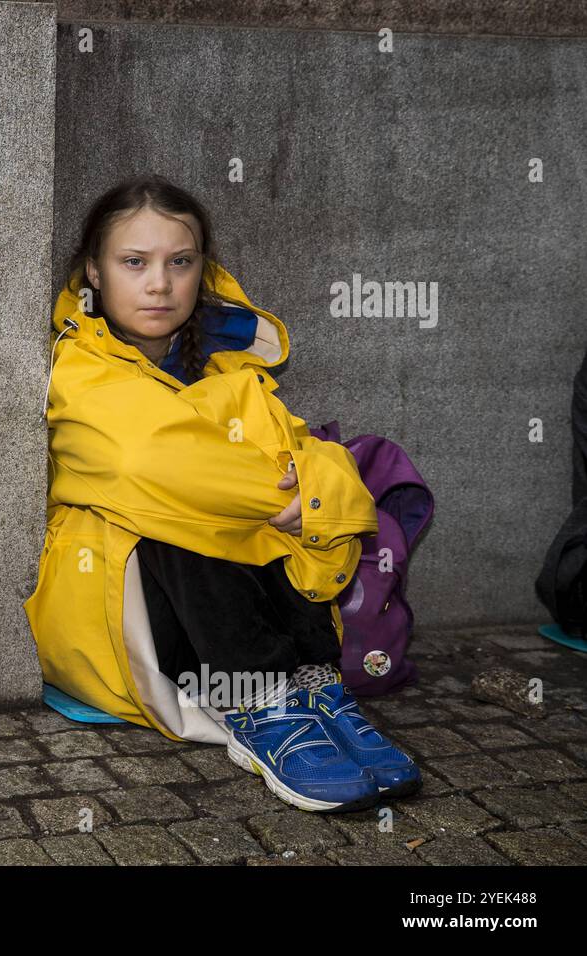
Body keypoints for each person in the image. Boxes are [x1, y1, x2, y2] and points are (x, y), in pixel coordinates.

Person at [23, 175, 421, 812]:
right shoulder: (75, 367)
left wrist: (313, 495)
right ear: (93, 273)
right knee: (183, 510)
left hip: (234, 603)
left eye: (180, 262)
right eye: (134, 262)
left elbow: (320, 459)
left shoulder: (228, 366)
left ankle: (313, 687)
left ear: (202, 270)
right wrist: (292, 499)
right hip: (126, 611)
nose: (160, 284)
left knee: (250, 504)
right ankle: (256, 700)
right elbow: (148, 460)